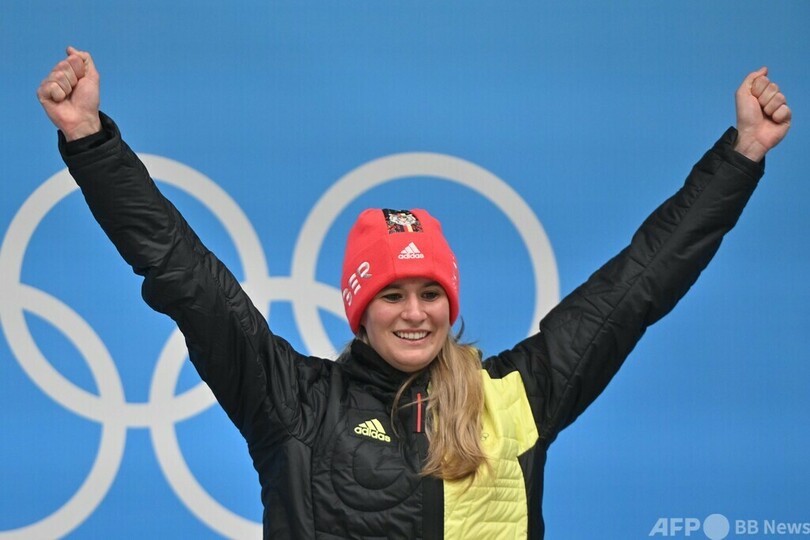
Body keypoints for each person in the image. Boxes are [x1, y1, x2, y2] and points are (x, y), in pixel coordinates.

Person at [38, 47, 791, 539]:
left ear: (451, 304)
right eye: (391, 294)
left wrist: (743, 153)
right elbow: (185, 277)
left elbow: (640, 282)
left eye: (431, 292)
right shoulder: (293, 402)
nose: (415, 312)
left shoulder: (515, 397)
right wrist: (91, 141)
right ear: (359, 310)